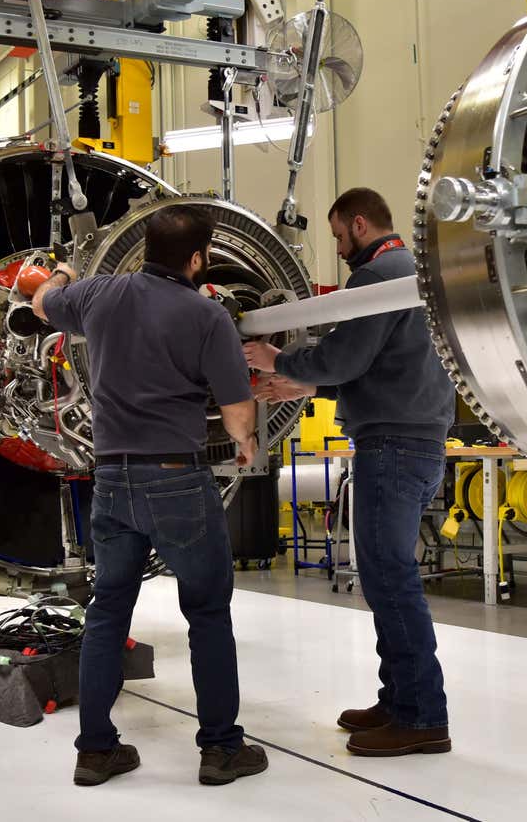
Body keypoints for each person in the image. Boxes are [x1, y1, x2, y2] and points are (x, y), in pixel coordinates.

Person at [28, 205, 269, 788]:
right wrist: (248, 444)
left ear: (142, 252)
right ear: (197, 259)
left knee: (107, 613)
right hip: (178, 482)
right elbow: (238, 412)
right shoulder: (207, 316)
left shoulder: (98, 295)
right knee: (207, 612)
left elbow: (39, 303)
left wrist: (61, 271)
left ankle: (95, 750)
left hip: (111, 480)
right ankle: (220, 749)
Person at [243, 187, 456, 758]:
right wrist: (310, 384)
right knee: (389, 580)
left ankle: (420, 718)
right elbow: (378, 366)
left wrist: (278, 360)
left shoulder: (376, 279)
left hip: (391, 445)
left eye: (339, 236)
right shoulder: (416, 272)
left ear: (360, 224)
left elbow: (345, 357)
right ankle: (399, 699)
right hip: (418, 439)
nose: (338, 248)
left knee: (390, 580)